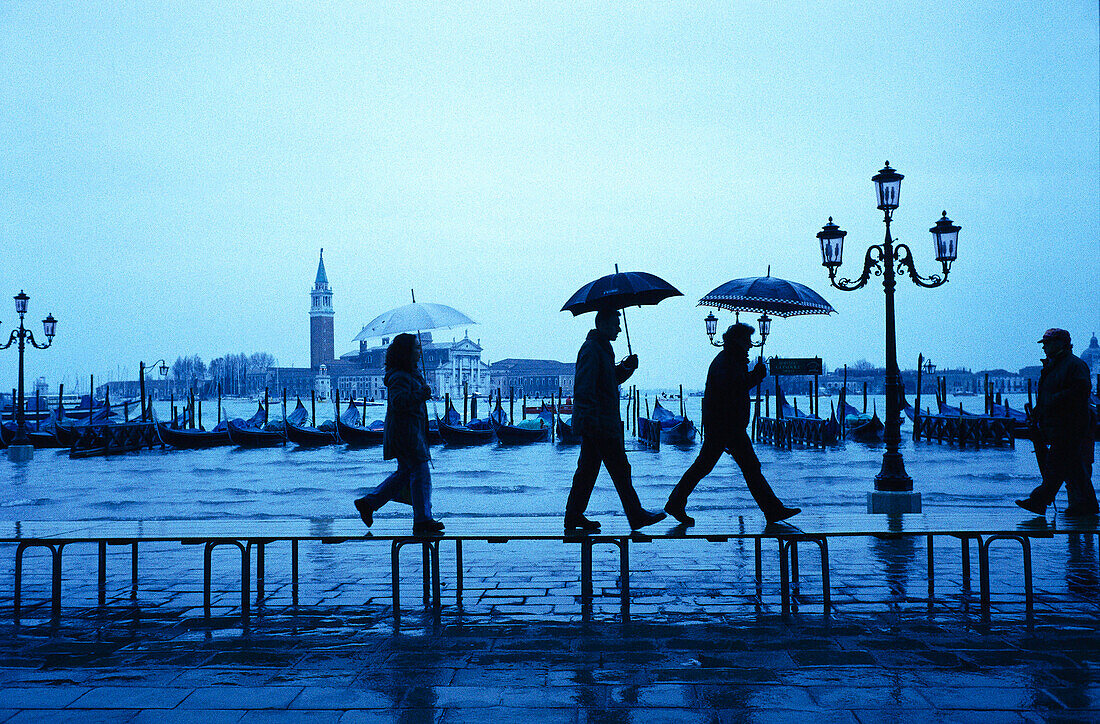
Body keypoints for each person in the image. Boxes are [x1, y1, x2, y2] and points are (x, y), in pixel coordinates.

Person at [664, 323, 800, 526]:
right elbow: (734, 388)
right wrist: (757, 375)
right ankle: (773, 510)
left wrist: (754, 374)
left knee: (716, 466)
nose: (751, 345)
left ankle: (773, 510)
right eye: (747, 340)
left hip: (726, 425)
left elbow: (737, 385)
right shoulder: (727, 362)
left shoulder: (730, 360)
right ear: (738, 340)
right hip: (726, 425)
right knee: (741, 467)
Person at [564, 309, 666, 532]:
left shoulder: (601, 348)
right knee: (620, 468)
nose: (619, 329)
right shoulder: (592, 349)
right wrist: (592, 421)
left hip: (600, 421)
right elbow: (584, 387)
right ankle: (635, 515)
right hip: (600, 422)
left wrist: (627, 368)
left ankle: (573, 516)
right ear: (603, 324)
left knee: (587, 471)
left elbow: (609, 380)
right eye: (615, 324)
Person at [354, 333, 445, 535]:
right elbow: (399, 402)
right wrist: (422, 393)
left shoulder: (410, 374)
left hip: (412, 432)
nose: (420, 351)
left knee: (405, 474)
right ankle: (422, 520)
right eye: (416, 348)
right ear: (406, 352)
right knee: (421, 473)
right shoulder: (398, 377)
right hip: (407, 435)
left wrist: (422, 389)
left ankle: (369, 503)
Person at [1016, 328, 1097, 517]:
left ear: (1060, 343)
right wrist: (1039, 411)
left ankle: (1038, 501)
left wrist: (1052, 400)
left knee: (1055, 467)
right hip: (1058, 425)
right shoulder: (1054, 365)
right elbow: (1047, 395)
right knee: (1074, 468)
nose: (1044, 347)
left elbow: (1081, 390)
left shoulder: (1074, 365)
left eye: (1047, 343)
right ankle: (1087, 505)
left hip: (1070, 426)